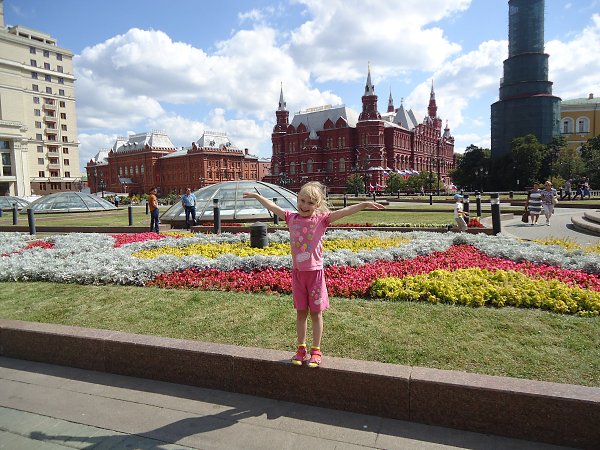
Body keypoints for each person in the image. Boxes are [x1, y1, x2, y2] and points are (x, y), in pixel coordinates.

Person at [243, 181, 384, 368]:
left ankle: (316, 351)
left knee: (316, 314)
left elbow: (344, 212)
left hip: (315, 274)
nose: (304, 205)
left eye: (310, 203)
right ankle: (301, 349)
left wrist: (364, 204)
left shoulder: (321, 220)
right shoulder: (290, 218)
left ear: (317, 205)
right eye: (302, 200)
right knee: (301, 313)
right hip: (298, 275)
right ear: (297, 199)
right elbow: (273, 207)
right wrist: (257, 196)